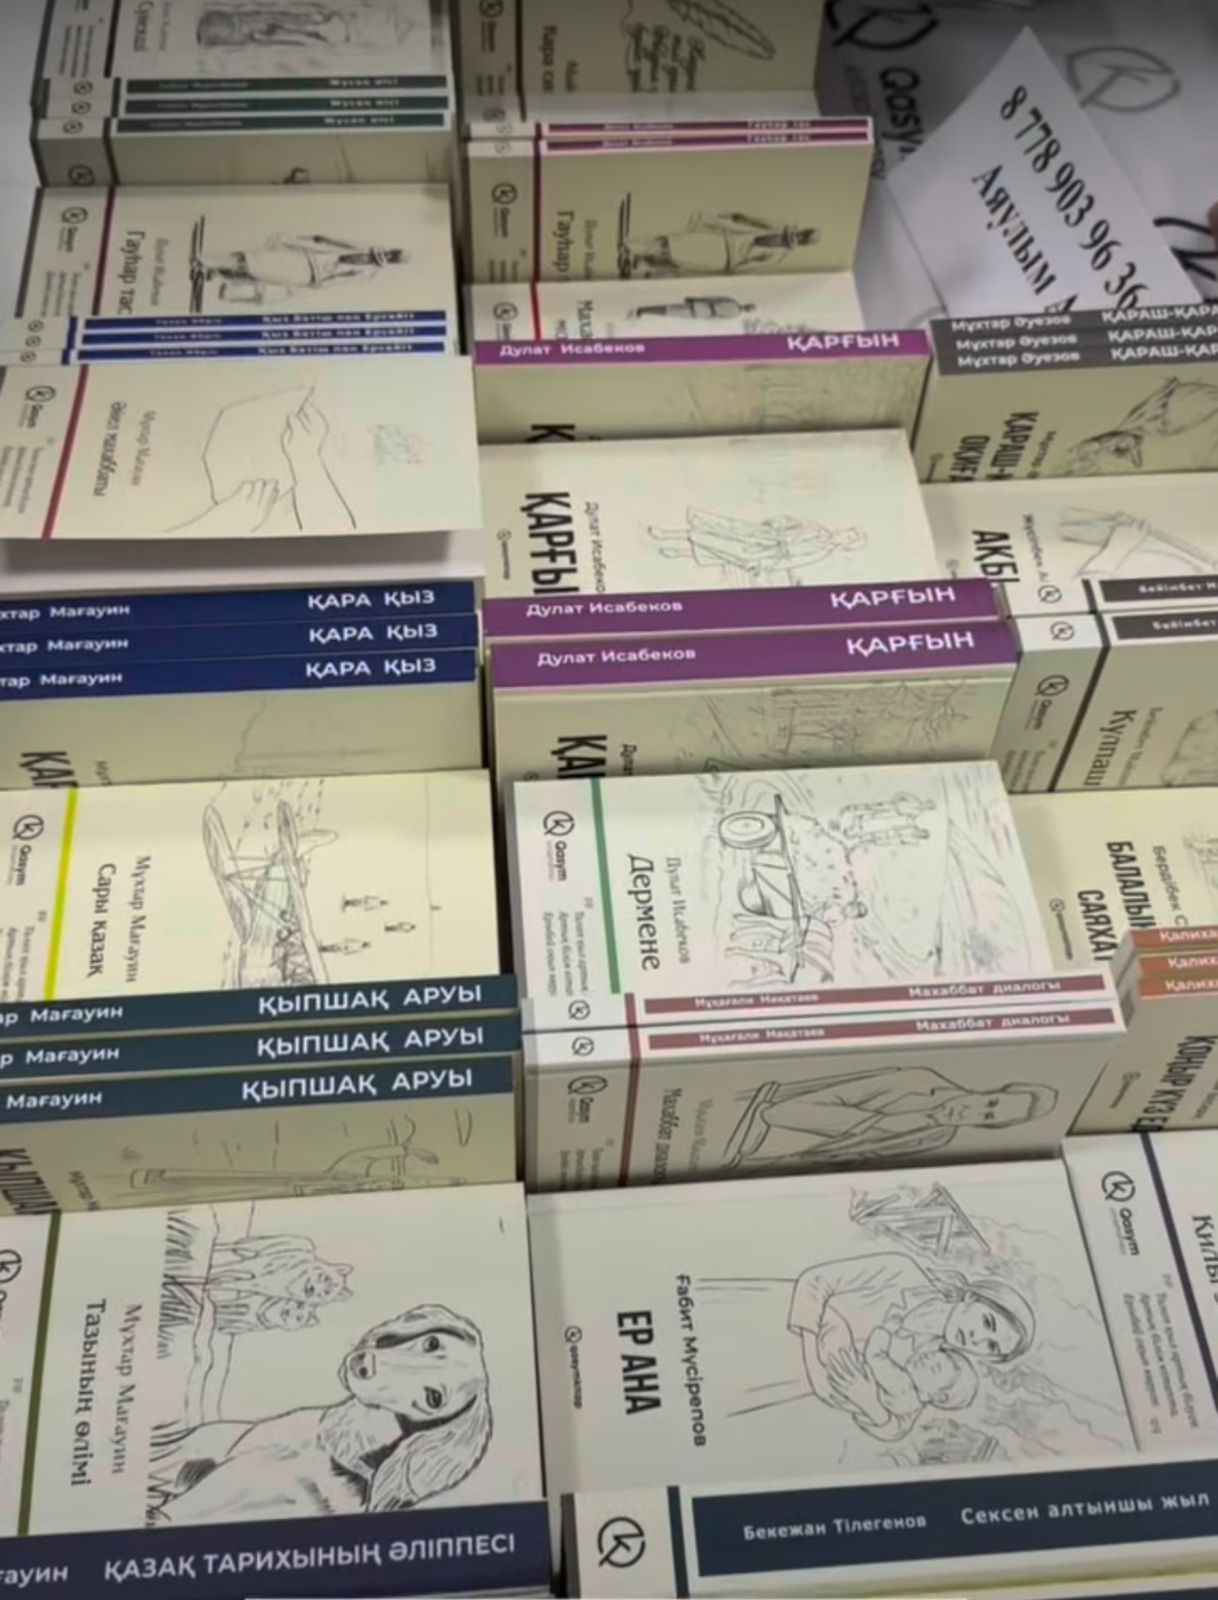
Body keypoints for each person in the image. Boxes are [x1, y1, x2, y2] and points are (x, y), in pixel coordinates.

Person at [723, 1067, 1060, 1169]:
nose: (972, 1111)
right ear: (988, 1090)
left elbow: (863, 1159)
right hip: (758, 1118)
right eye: (990, 1101)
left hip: (770, 1162)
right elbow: (779, 1112)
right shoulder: (919, 1080)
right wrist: (872, 1123)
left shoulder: (939, 1139)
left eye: (987, 1117)